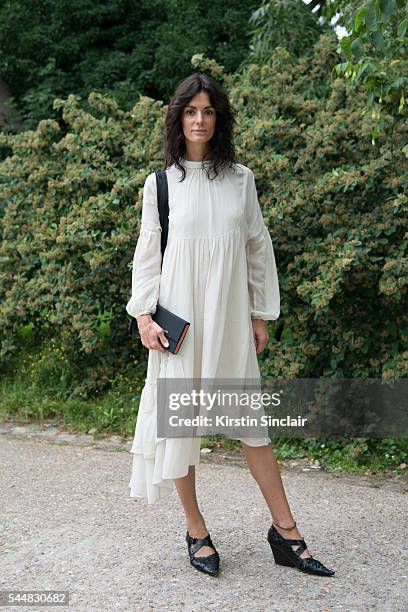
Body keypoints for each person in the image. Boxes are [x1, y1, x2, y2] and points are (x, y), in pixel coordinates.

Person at [126, 72, 335, 578]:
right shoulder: (160, 185)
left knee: (252, 427)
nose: (199, 120)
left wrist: (262, 312)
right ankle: (196, 531)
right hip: (180, 327)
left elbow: (257, 248)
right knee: (180, 428)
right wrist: (144, 317)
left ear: (219, 119)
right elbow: (147, 257)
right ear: (178, 119)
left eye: (208, 111)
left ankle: (286, 533)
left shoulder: (241, 179)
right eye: (190, 111)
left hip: (231, 320)